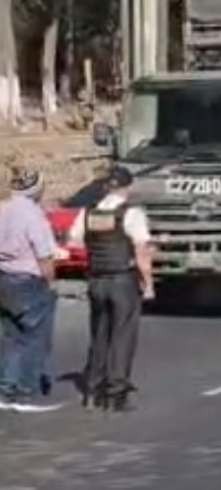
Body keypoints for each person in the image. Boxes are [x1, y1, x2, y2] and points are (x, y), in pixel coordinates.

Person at [68, 166, 154, 411]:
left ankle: (92, 390)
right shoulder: (131, 213)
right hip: (122, 279)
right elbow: (141, 251)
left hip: (96, 279)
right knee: (122, 336)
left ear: (107, 186)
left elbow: (74, 239)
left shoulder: (88, 213)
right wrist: (148, 284)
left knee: (99, 334)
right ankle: (116, 393)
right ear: (127, 187)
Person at [0, 167, 61, 412]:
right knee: (35, 338)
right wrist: (51, 283)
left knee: (12, 337)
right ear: (37, 189)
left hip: (3, 278)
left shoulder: (3, 211)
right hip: (28, 279)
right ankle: (25, 391)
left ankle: (5, 388)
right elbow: (44, 255)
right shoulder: (34, 216)